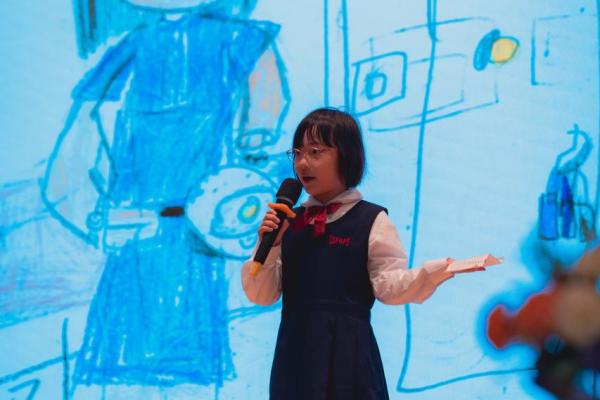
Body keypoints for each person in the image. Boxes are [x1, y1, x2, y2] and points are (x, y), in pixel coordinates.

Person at [241, 107, 468, 399]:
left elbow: (389, 286)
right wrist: (270, 244)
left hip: (350, 357)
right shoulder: (288, 222)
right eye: (297, 153)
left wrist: (432, 272)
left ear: (346, 156)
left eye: (315, 152)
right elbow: (261, 294)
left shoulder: (371, 219)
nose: (303, 163)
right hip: (295, 357)